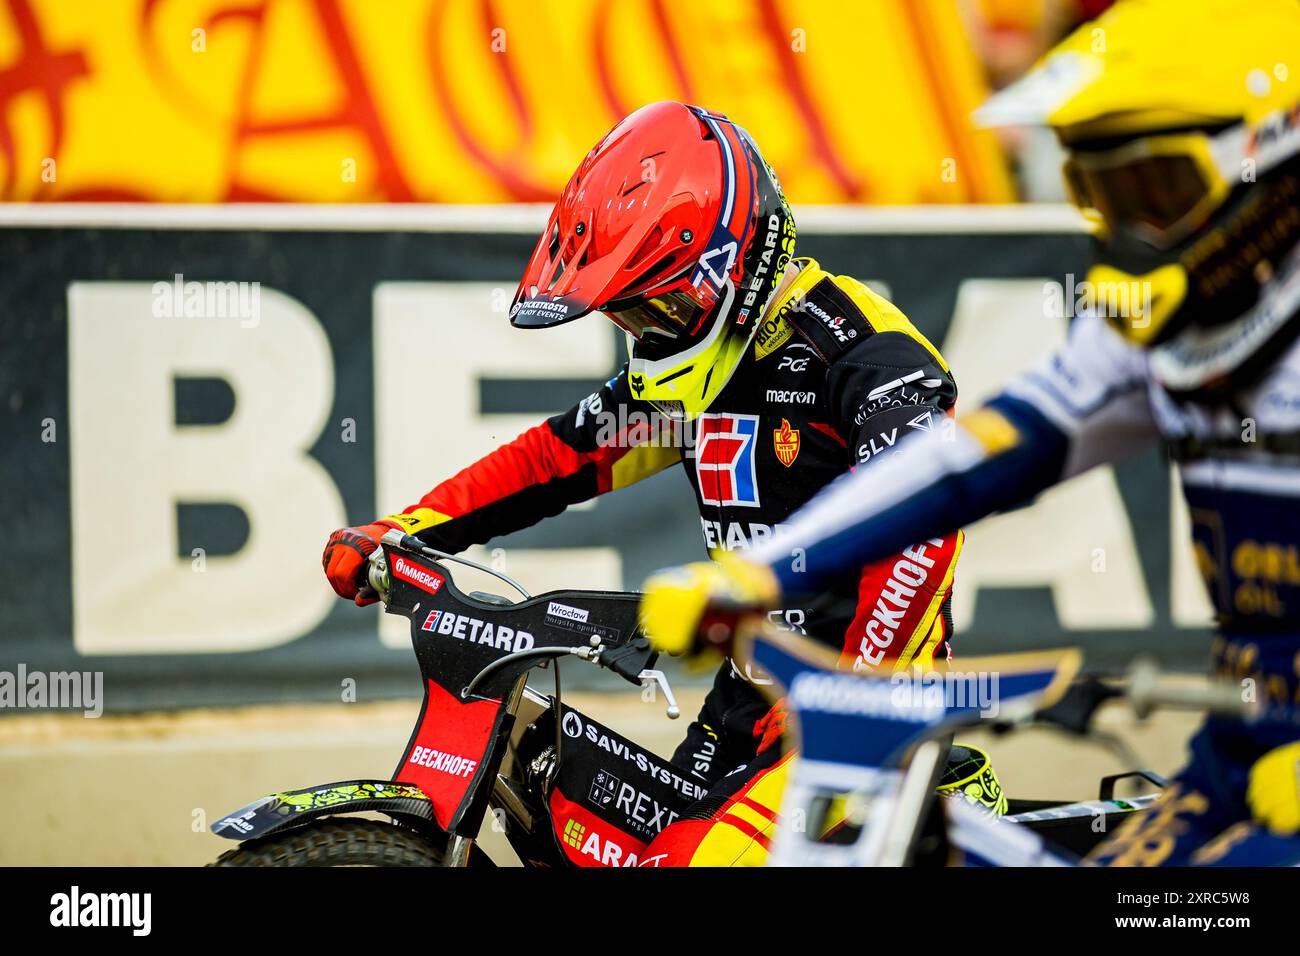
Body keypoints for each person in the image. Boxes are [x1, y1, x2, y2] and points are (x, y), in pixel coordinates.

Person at [640, 0, 1300, 865]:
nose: (1132, 235)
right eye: (1098, 196)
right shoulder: (1143, 330)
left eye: (1157, 189)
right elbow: (968, 459)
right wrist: (757, 572)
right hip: (1244, 745)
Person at [322, 100, 1001, 866]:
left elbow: (926, 525)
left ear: (735, 261)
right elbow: (555, 460)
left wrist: (855, 698)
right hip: (743, 711)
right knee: (566, 813)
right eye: (632, 316)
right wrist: (405, 528)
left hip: (871, 722)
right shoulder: (688, 374)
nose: (649, 334)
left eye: (662, 306)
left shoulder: (862, 350)